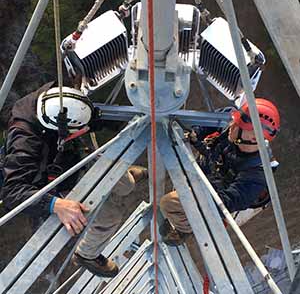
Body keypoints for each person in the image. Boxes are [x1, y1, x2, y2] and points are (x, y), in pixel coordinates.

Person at [1, 84, 147, 277]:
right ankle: (87, 254)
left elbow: (89, 119)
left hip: (68, 160)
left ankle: (126, 176)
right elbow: (13, 192)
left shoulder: (57, 101)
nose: (84, 130)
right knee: (109, 216)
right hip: (50, 181)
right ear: (58, 128)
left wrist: (125, 121)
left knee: (125, 184)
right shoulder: (25, 145)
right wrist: (55, 204)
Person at [159, 98, 280, 246]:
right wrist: (195, 134)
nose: (231, 124)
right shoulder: (229, 122)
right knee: (180, 189)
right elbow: (206, 125)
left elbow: (225, 203)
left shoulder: (256, 175)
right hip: (211, 171)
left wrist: (193, 194)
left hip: (221, 193)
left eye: (237, 126)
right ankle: (186, 211)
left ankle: (186, 229)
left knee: (169, 203)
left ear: (253, 138)